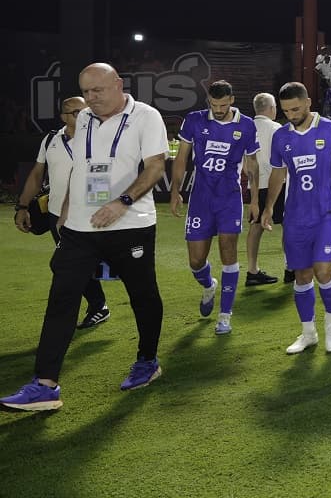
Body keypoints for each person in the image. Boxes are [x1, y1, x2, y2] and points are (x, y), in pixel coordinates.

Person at [2, 64, 168, 411]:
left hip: (130, 223)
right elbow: (83, 167)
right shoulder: (88, 120)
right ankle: (46, 385)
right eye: (86, 92)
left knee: (142, 295)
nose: (90, 100)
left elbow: (155, 167)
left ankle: (147, 361)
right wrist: (65, 210)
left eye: (97, 91)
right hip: (80, 227)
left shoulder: (146, 116)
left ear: (118, 84)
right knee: (62, 297)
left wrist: (121, 203)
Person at [169, 81, 261, 335]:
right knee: (196, 260)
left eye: (223, 104)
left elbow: (252, 165)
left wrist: (254, 200)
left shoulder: (246, 125)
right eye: (213, 104)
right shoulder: (195, 120)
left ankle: (225, 315)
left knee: (228, 251)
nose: (218, 109)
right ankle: (209, 285)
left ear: (231, 100)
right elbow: (182, 157)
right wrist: (176, 190)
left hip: (229, 198)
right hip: (200, 198)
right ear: (208, 100)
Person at [262, 82, 331, 354]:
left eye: (295, 109)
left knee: (323, 271)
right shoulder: (281, 137)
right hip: (295, 217)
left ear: (308, 102)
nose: (291, 114)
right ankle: (308, 333)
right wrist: (267, 208)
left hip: (325, 215)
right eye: (285, 111)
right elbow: (278, 173)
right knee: (301, 275)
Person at [14, 96, 109, 330]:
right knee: (73, 265)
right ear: (63, 116)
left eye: (84, 110)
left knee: (65, 264)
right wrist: (22, 206)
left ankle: (80, 313)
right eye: (74, 112)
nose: (82, 115)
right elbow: (37, 175)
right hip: (55, 215)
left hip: (85, 216)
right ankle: (98, 306)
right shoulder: (50, 140)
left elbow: (105, 178)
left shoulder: (100, 139)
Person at [248, 92, 283, 285]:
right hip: (276, 184)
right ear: (271, 108)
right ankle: (291, 268)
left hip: (255, 185)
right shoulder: (276, 128)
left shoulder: (246, 127)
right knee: (289, 225)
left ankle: (252, 270)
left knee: (255, 227)